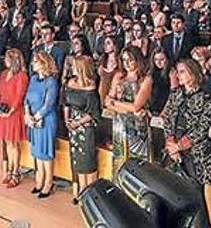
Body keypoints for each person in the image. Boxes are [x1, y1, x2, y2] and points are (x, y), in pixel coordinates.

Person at [160, 59, 211, 228]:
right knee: (171, 192)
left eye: (182, 71)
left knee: (196, 196)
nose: (178, 75)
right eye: (177, 71)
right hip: (172, 151)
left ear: (193, 74)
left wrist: (179, 146)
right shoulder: (176, 94)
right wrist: (170, 142)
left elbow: (201, 129)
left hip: (194, 155)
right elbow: (167, 117)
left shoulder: (206, 98)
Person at [105, 48, 153, 167]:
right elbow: (107, 102)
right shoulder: (118, 76)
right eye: (124, 60)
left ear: (137, 60)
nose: (126, 63)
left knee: (139, 163)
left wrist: (115, 103)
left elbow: (136, 106)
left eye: (130, 60)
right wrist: (126, 108)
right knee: (119, 159)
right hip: (119, 124)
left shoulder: (145, 79)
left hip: (138, 127)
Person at [64, 55, 101, 204]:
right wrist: (67, 119)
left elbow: (94, 113)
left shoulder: (91, 86)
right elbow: (65, 102)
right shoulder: (70, 82)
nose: (72, 68)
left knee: (88, 161)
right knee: (77, 159)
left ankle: (90, 193)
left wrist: (78, 122)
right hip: (72, 125)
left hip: (85, 128)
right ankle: (80, 190)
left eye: (74, 66)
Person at [25, 51, 59, 199]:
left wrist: (36, 117)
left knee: (46, 153)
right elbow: (26, 99)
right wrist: (27, 114)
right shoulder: (33, 78)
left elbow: (49, 104)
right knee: (37, 151)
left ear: (44, 63)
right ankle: (40, 179)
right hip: (32, 118)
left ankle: (48, 182)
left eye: (36, 61)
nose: (33, 63)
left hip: (46, 120)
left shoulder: (51, 81)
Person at [0, 48, 29, 188]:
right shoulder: (3, 74)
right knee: (7, 143)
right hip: (3, 110)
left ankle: (15, 171)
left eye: (7, 58)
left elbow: (19, 96)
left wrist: (11, 110)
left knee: (14, 143)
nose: (4, 60)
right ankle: (9, 169)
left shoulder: (22, 76)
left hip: (14, 112)